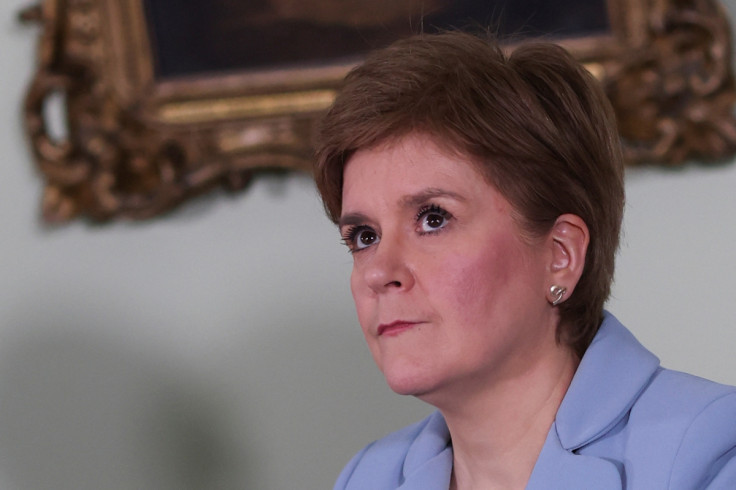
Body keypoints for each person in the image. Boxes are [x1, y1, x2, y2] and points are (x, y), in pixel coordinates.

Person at [313, 31, 736, 489]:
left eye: (433, 219)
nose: (378, 272)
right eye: (364, 236)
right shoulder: (369, 478)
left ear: (561, 255)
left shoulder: (710, 452)